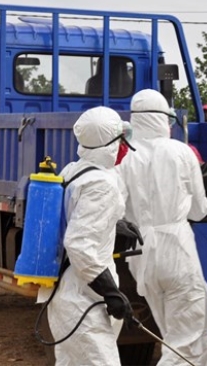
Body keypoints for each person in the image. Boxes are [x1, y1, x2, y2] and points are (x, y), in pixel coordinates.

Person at [117, 89, 207, 365]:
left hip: (142, 258)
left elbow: (118, 211)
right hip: (176, 252)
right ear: (164, 119)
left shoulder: (126, 160)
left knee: (173, 334)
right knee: (185, 342)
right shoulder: (181, 152)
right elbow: (200, 211)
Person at [47, 106, 138, 366]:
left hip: (69, 293)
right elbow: (78, 243)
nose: (124, 145)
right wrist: (110, 291)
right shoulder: (101, 184)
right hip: (82, 299)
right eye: (120, 139)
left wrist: (113, 224)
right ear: (108, 144)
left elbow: (73, 216)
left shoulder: (75, 170)